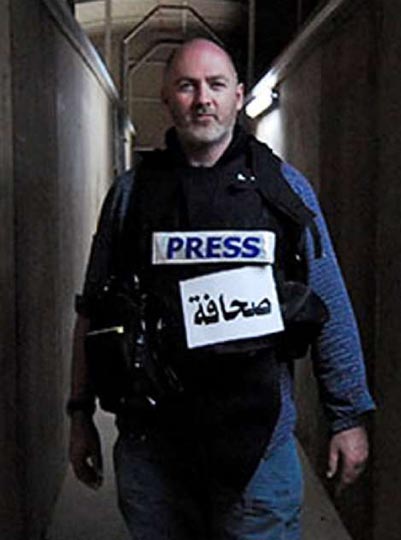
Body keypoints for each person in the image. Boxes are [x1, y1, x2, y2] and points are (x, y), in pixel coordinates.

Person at [67, 38, 375, 540]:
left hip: (258, 454)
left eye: (215, 85)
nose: (202, 99)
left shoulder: (284, 190)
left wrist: (348, 417)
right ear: (166, 97)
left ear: (238, 95)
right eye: (187, 86)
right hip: (154, 454)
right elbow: (92, 311)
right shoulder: (130, 195)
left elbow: (329, 305)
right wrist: (79, 414)